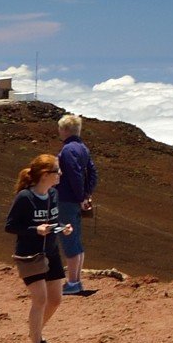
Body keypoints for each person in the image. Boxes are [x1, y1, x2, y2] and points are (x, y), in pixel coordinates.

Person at [4, 151, 75, 343]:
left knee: (55, 299)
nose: (60, 174)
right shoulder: (25, 197)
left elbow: (50, 222)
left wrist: (61, 228)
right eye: (57, 171)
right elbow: (11, 226)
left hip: (51, 253)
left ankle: (36, 333)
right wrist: (35, 230)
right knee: (40, 298)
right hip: (30, 255)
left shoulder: (52, 194)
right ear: (45, 174)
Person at [56, 113, 99, 295]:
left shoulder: (67, 150)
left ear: (65, 130)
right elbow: (93, 173)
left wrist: (81, 196)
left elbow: (75, 175)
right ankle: (76, 281)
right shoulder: (82, 148)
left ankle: (73, 283)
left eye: (60, 128)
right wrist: (87, 195)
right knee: (76, 240)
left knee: (68, 239)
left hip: (67, 200)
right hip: (76, 200)